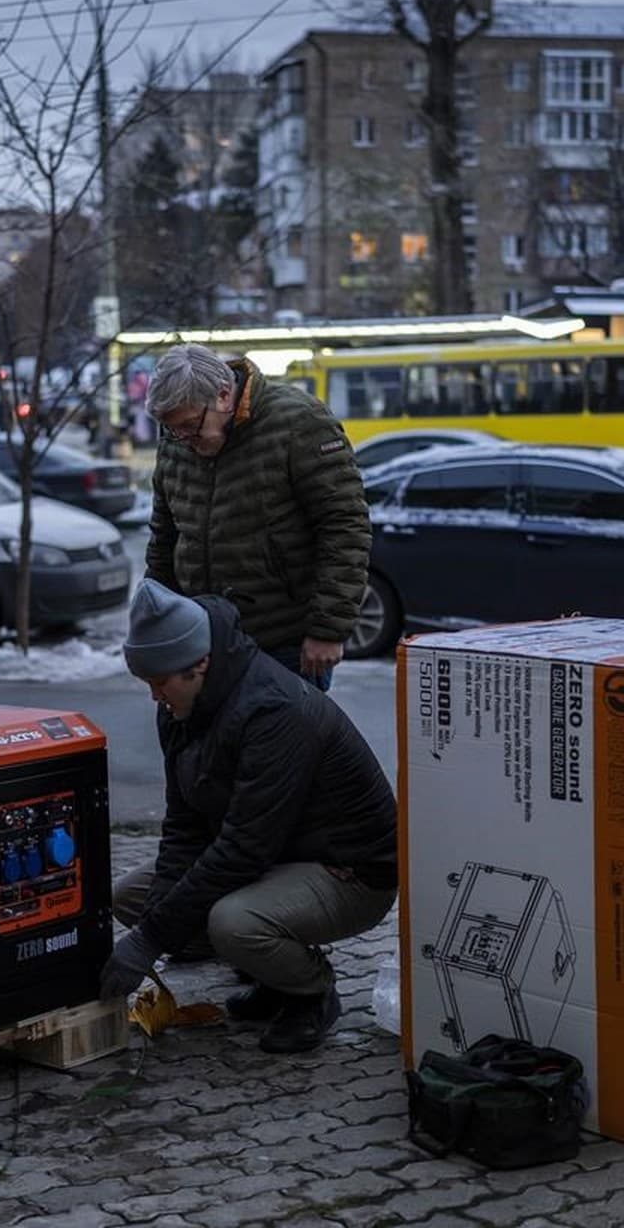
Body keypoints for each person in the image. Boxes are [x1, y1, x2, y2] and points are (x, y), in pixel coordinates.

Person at [99, 581, 398, 1054]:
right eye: (147, 682)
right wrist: (152, 926)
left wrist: (151, 939)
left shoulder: (274, 711)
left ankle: (311, 991)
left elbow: (244, 849)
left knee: (233, 922)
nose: (154, 695)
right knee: (130, 899)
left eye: (160, 682)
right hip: (277, 855)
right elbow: (184, 825)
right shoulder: (179, 709)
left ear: (200, 664)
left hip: (349, 871)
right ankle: (268, 971)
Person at [144, 342, 370, 691]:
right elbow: (164, 536)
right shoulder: (177, 438)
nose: (184, 439)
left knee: (282, 728)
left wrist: (328, 629)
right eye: (174, 430)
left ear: (223, 396)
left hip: (285, 641)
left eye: (190, 426)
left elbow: (344, 526)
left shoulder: (299, 422)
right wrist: (156, 620)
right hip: (203, 636)